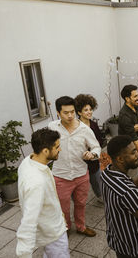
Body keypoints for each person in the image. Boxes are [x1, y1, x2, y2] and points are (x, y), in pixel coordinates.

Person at [48, 96, 101, 237]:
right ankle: (65, 227)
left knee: (81, 204)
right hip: (60, 176)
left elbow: (96, 147)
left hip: (81, 174)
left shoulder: (85, 129)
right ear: (58, 113)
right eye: (66, 112)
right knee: (63, 207)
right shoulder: (52, 127)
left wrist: (92, 154)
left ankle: (81, 227)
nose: (70, 115)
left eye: (72, 111)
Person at [16, 128, 69, 258]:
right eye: (57, 147)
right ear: (45, 151)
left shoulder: (28, 161)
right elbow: (28, 221)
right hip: (53, 234)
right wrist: (24, 254)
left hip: (50, 225)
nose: (60, 150)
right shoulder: (36, 182)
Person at [75, 94, 103, 200]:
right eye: (85, 110)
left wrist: (93, 152)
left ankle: (100, 196)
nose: (89, 112)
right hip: (80, 160)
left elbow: (99, 141)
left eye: (90, 109)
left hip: (93, 160)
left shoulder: (94, 125)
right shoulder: (76, 126)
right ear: (79, 112)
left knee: (97, 180)